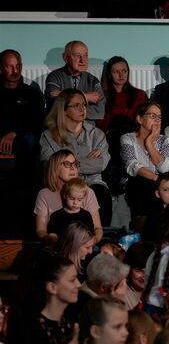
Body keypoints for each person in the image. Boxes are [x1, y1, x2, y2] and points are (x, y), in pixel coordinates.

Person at [39, 89, 112, 224]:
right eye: (76, 105)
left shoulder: (97, 134)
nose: (82, 109)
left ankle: (101, 234)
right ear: (64, 110)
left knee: (101, 193)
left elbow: (101, 164)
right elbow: (50, 165)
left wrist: (67, 164)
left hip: (92, 183)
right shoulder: (49, 136)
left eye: (84, 105)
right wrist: (88, 162)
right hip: (62, 185)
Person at [120, 101, 169, 224]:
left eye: (159, 117)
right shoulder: (127, 138)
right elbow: (132, 166)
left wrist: (149, 143)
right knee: (144, 185)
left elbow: (165, 168)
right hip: (135, 182)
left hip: (158, 183)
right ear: (139, 119)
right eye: (153, 116)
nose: (157, 120)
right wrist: (157, 179)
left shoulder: (165, 140)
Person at [0, 48, 45, 180]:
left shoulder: (32, 92)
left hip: (23, 136)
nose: (15, 71)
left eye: (18, 66)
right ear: (1, 68)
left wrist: (14, 133)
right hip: (2, 134)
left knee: (30, 139)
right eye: (9, 66)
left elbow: (37, 120)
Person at [44, 40, 104, 121]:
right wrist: (86, 97)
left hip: (87, 127)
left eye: (85, 55)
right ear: (66, 58)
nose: (82, 60)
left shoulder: (93, 80)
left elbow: (99, 112)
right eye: (77, 56)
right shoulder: (54, 77)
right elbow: (55, 107)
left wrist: (65, 98)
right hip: (61, 126)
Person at [97, 56, 147, 135]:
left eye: (124, 71)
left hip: (133, 135)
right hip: (111, 135)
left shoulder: (139, 95)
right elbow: (100, 123)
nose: (121, 75)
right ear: (109, 74)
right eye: (116, 72)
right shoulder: (102, 96)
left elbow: (144, 120)